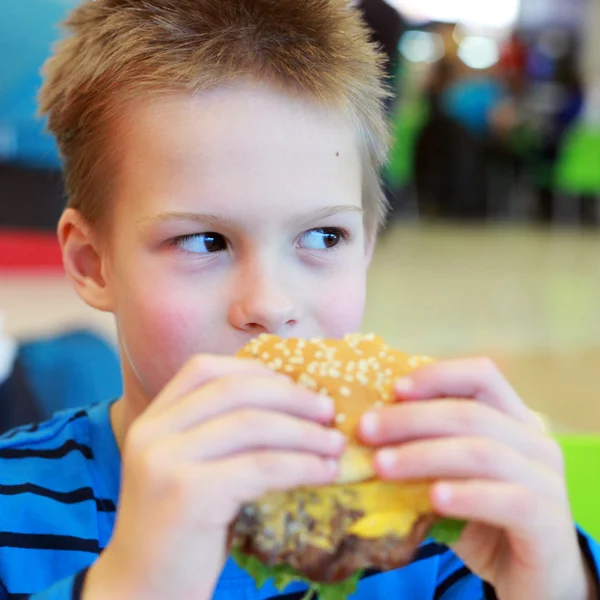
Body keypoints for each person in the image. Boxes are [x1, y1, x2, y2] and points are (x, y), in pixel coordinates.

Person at [0, 1, 598, 599]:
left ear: (366, 247)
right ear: (92, 263)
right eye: (204, 241)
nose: (271, 302)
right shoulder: (13, 508)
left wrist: (556, 584)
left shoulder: (443, 534)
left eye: (321, 236)